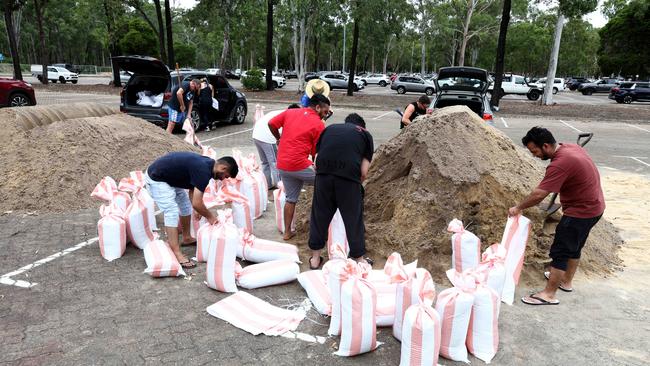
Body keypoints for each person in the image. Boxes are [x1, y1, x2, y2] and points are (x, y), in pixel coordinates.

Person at [510, 127, 605, 306]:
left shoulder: (560, 164)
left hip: (580, 212)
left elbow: (539, 194)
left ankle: (548, 294)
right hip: (595, 207)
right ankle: (566, 282)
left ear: (545, 146)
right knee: (574, 247)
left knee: (560, 252)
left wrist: (518, 207)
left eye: (535, 151)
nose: (534, 155)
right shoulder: (570, 148)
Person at [144, 152, 238, 268]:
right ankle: (176, 252)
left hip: (169, 176)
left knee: (185, 205)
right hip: (157, 178)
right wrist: (210, 217)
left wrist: (197, 208)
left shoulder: (208, 165)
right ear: (223, 168)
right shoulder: (204, 171)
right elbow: (197, 203)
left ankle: (187, 238)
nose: (223, 179)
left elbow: (192, 187)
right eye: (226, 176)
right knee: (171, 211)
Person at [307, 113, 374, 269]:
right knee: (353, 219)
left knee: (319, 217)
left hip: (323, 177)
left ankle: (315, 260)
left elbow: (316, 162)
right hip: (348, 180)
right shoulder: (365, 134)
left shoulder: (329, 129)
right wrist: (356, 185)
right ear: (362, 126)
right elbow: (364, 171)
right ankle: (359, 260)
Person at [268, 94, 330, 240]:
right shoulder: (319, 124)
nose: (325, 115)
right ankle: (323, 228)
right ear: (317, 107)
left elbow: (271, 123)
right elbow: (316, 152)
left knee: (291, 199)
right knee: (327, 182)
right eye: (325, 112)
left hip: (282, 165)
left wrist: (278, 138)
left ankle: (287, 232)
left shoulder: (290, 112)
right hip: (299, 165)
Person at [252, 103, 301, 189]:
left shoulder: (280, 112)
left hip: (256, 135)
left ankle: (268, 184)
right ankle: (280, 186)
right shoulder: (289, 117)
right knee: (275, 163)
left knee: (265, 162)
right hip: (267, 138)